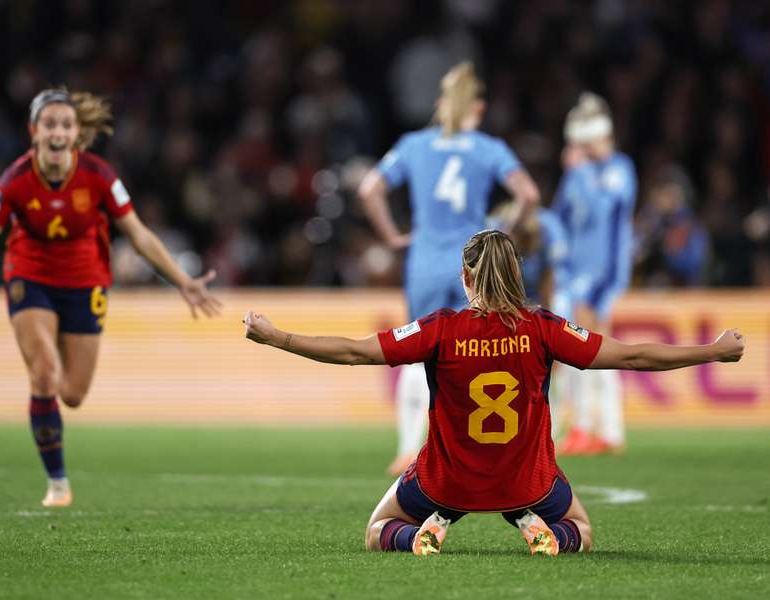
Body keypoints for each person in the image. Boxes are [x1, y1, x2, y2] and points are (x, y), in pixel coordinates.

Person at [243, 229, 744, 556]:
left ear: (465, 277)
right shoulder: (544, 327)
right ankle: (538, 530)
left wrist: (276, 337)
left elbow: (353, 352)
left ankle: (422, 532)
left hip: (447, 483)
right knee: (584, 533)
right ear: (515, 275)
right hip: (526, 483)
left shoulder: (440, 328)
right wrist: (712, 351)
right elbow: (633, 357)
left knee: (377, 531)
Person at [0, 88, 222, 507]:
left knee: (74, 395)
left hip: (86, 283)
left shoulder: (101, 177)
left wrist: (183, 282)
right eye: (50, 124)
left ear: (77, 134)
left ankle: (50, 405)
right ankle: (58, 483)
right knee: (44, 373)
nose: (58, 131)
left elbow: (138, 235)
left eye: (66, 124)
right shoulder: (14, 180)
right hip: (31, 277)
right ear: (34, 131)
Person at [357, 62, 540, 475]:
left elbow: (370, 189)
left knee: (411, 350)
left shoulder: (413, 145)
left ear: (441, 106)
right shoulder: (489, 148)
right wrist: (502, 233)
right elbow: (528, 193)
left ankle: (406, 450)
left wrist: (391, 236)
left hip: (423, 260)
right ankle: (467, 450)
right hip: (471, 262)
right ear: (478, 107)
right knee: (474, 351)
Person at [552, 93, 638, 455]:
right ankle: (585, 427)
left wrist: (604, 289)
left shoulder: (619, 170)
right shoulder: (579, 175)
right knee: (573, 353)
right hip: (571, 277)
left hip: (602, 275)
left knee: (598, 352)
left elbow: (615, 225)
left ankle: (606, 430)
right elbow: (559, 222)